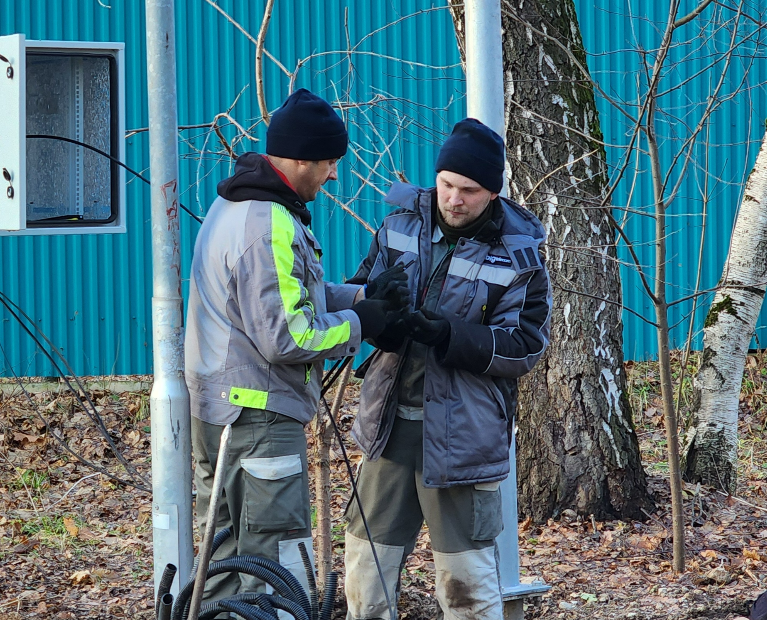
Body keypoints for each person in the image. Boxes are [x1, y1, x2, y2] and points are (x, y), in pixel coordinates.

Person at [185, 88, 408, 602]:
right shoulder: (268, 225)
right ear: (302, 158)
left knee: (224, 556)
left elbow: (287, 298)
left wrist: (363, 295)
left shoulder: (237, 205)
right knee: (273, 560)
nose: (334, 175)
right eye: (330, 162)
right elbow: (288, 336)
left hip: (223, 411)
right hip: (256, 419)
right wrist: (361, 322)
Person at [342, 118, 552, 620]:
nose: (454, 200)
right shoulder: (397, 226)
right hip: (387, 430)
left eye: (469, 190)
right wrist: (379, 317)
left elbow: (526, 346)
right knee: (364, 578)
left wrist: (448, 335)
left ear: (493, 193)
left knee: (467, 587)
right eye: (446, 185)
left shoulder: (520, 256)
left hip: (463, 439)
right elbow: (358, 294)